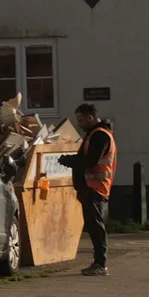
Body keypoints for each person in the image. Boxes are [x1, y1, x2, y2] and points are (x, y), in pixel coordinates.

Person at [58, 103, 116, 276]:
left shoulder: (99, 136)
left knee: (96, 227)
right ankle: (99, 262)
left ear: (91, 117)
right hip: (92, 188)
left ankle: (100, 263)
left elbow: (90, 160)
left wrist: (68, 161)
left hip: (95, 188)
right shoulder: (96, 134)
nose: (79, 124)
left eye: (81, 120)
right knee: (93, 227)